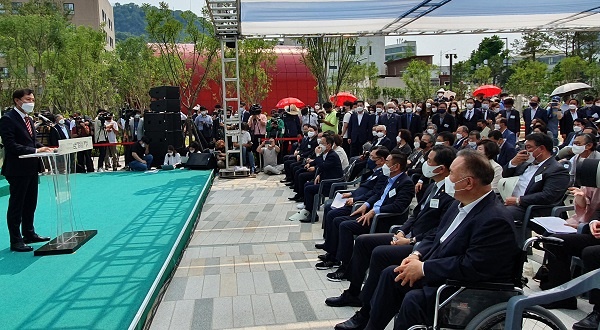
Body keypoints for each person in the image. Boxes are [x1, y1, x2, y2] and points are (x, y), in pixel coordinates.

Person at [334, 149, 519, 330]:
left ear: (468, 183)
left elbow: (472, 266)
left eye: (452, 174)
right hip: (440, 269)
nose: (448, 179)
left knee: (412, 299)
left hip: (464, 288)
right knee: (392, 274)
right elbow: (438, 236)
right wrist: (417, 254)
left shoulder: (495, 220)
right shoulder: (459, 205)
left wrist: (423, 268)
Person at [325, 145, 455, 302]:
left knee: (379, 252)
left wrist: (411, 240)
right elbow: (416, 214)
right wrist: (402, 231)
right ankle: (352, 291)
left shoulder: (449, 194)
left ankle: (366, 302)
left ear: (441, 168)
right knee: (362, 241)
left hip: (419, 243)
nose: (425, 164)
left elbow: (439, 228)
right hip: (405, 234)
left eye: (428, 160)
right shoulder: (433, 187)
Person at [316, 152, 415, 273]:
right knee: (337, 220)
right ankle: (333, 256)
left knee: (345, 226)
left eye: (388, 162)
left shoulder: (406, 183)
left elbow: (398, 206)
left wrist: (374, 211)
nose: (385, 164)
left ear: (396, 166)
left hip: (382, 219)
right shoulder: (389, 179)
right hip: (371, 213)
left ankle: (345, 267)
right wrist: (366, 204)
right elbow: (377, 195)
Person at [0, 89, 53, 252]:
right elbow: (11, 145)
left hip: (31, 167)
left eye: (32, 99)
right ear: (17, 101)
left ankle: (29, 233)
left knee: (30, 203)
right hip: (17, 169)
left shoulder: (29, 119)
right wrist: (36, 151)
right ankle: (16, 240)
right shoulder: (8, 119)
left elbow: (31, 142)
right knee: (17, 204)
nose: (31, 102)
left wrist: (42, 148)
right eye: (27, 99)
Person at [502, 133, 570, 225]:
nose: (526, 151)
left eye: (529, 147)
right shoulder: (525, 164)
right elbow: (505, 175)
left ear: (541, 149)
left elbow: (548, 195)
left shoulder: (557, 170)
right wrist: (513, 163)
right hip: (509, 200)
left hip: (530, 208)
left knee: (500, 214)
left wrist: (519, 200)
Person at [288, 134, 344, 222]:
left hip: (332, 184)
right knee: (306, 185)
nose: (320, 145)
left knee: (309, 189)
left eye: (322, 143)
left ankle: (312, 214)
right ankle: (308, 209)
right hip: (325, 180)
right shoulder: (325, 154)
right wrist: (311, 166)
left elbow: (323, 165)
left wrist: (317, 155)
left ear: (329, 145)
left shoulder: (332, 156)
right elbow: (318, 163)